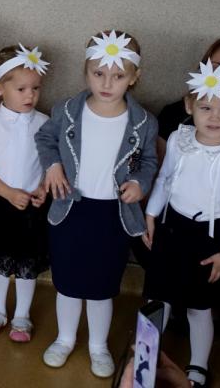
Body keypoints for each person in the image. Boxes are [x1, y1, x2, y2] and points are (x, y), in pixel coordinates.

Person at [36, 30, 158, 378]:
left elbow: (148, 161)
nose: (107, 83)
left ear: (134, 77)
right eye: (98, 73)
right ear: (86, 71)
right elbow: (45, 138)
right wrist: (53, 165)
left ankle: (98, 346)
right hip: (71, 208)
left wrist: (138, 183)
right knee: (68, 281)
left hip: (112, 214)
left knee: (102, 285)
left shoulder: (143, 122)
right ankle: (64, 338)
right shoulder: (67, 111)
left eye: (118, 76)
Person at [142, 60, 220, 387]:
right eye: (206, 108)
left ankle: (198, 366)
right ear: (190, 106)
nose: (215, 117)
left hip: (209, 240)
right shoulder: (179, 139)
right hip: (171, 229)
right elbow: (165, 179)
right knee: (157, 298)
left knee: (198, 307)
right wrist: (151, 214)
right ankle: (144, 357)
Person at [0, 44, 50, 343]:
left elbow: (49, 163)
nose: (30, 95)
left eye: (35, 88)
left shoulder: (44, 124)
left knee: (28, 265)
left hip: (32, 205)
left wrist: (42, 188)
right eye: (21, 89)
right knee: (0, 263)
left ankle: (22, 315)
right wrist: (8, 193)